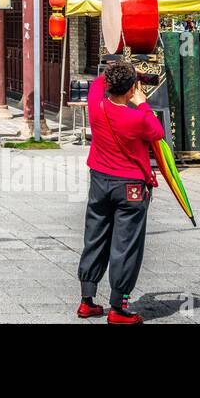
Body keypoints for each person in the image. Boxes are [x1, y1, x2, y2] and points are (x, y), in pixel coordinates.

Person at [76, 59, 165, 324]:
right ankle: (119, 307)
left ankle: (87, 300)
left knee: (95, 237)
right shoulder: (138, 118)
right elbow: (158, 132)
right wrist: (142, 102)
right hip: (130, 187)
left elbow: (98, 83)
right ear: (131, 89)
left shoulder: (96, 106)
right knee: (126, 245)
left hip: (100, 181)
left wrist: (116, 69)